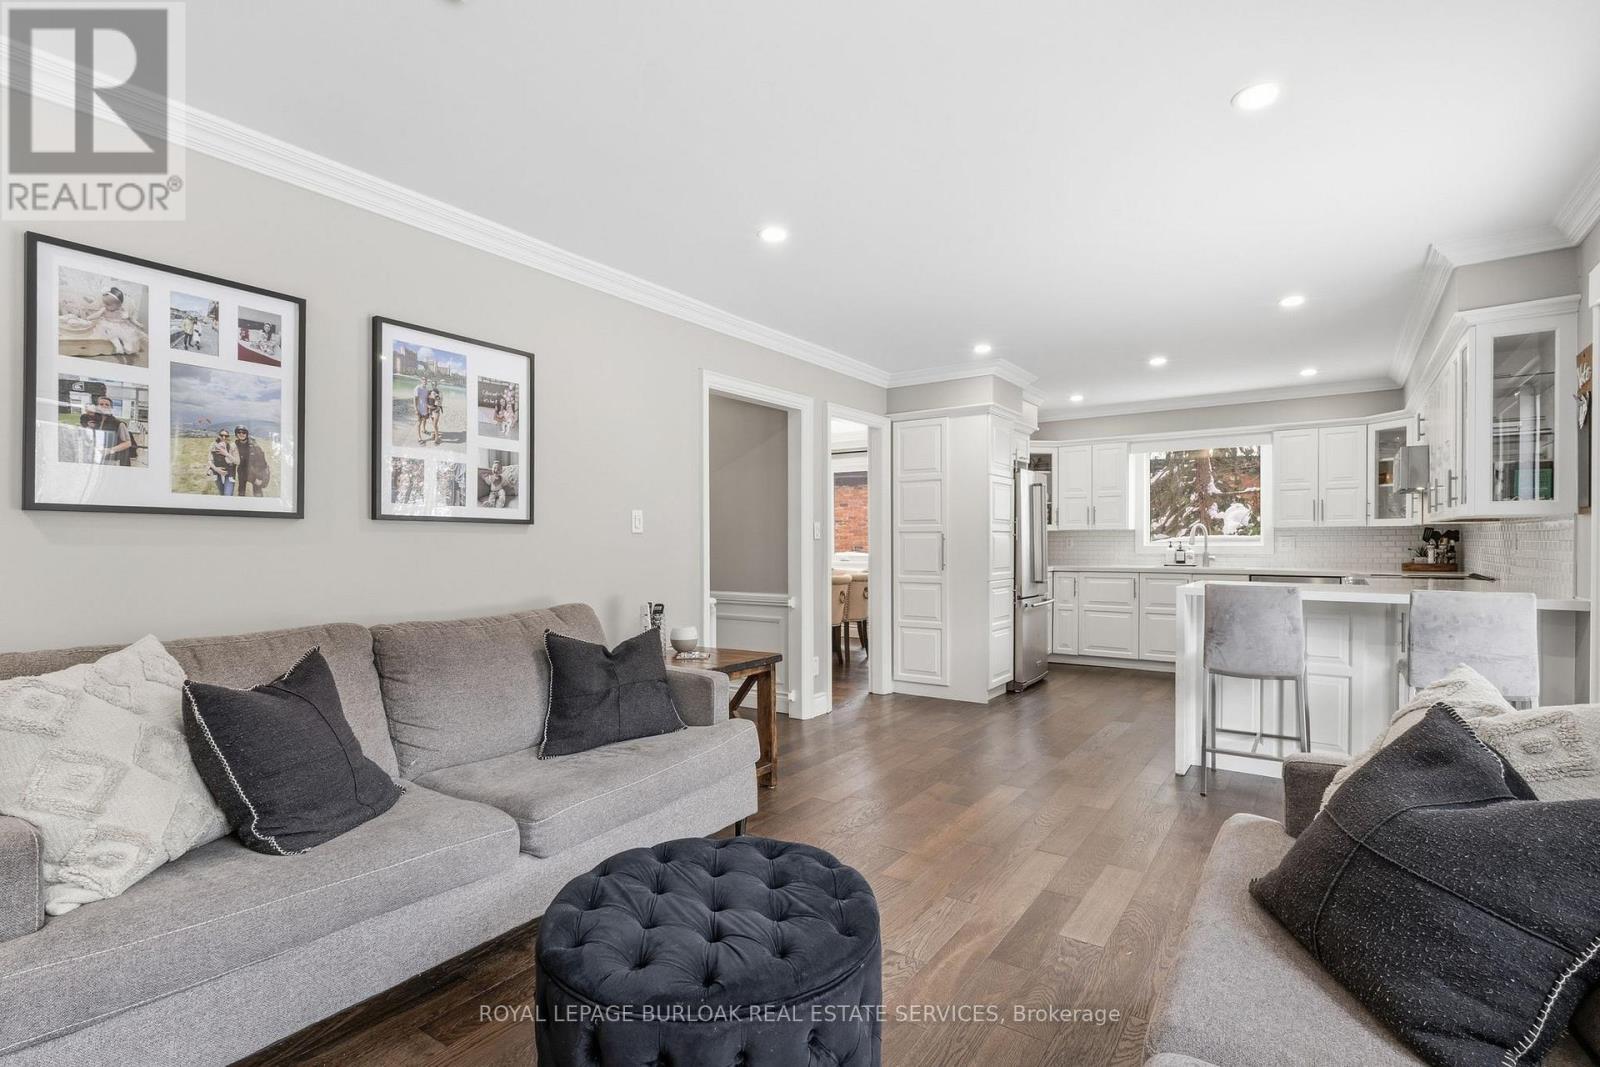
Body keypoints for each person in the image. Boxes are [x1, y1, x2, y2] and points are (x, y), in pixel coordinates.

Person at [81, 394, 135, 465]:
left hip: (111, 460)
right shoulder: (92, 422)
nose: (104, 406)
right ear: (97, 407)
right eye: (101, 404)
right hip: (94, 458)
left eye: (107, 404)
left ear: (111, 408)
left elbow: (128, 443)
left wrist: (109, 450)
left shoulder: (118, 424)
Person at [233, 426, 271, 497]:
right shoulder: (236, 444)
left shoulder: (254, 446)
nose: (241, 434)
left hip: (255, 472)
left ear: (247, 434)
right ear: (236, 434)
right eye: (239, 432)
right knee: (241, 492)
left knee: (257, 493)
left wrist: (259, 477)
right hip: (242, 472)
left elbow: (262, 463)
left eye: (244, 432)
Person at [207, 431, 237, 495]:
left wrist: (226, 453)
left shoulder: (232, 446)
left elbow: (236, 461)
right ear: (218, 436)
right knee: (221, 492)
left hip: (229, 473)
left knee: (228, 494)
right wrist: (216, 469)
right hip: (217, 472)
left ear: (228, 437)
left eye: (226, 436)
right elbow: (209, 460)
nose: (224, 437)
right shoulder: (213, 445)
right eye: (222, 435)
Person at [414, 377, 431, 444]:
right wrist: (416, 409)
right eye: (423, 379)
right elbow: (415, 399)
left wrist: (428, 408)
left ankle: (423, 430)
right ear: (421, 380)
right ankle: (419, 437)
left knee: (425, 420)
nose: (425, 381)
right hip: (419, 409)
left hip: (425, 408)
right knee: (419, 423)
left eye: (426, 380)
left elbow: (426, 399)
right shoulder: (417, 388)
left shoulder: (426, 389)